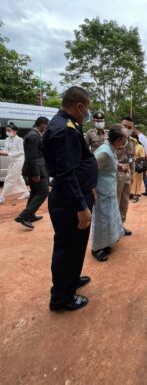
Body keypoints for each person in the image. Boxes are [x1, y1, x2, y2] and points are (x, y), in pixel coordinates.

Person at [43, 86, 98, 312]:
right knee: (67, 248)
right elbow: (66, 174)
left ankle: (71, 281)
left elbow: (76, 165)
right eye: (88, 109)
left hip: (76, 196)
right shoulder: (64, 129)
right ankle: (61, 298)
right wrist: (81, 206)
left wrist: (88, 189)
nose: (88, 113)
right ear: (79, 107)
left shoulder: (68, 124)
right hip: (69, 202)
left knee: (76, 246)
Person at [91, 125, 127, 261]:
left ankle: (105, 243)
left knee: (109, 219)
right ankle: (96, 248)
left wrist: (119, 166)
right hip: (101, 192)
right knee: (101, 221)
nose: (125, 142)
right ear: (118, 140)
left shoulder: (111, 149)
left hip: (109, 190)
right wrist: (92, 190)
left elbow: (109, 164)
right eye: (124, 139)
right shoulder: (105, 151)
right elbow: (92, 170)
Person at [14, 117, 50, 229]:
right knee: (43, 191)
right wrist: (36, 173)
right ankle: (24, 217)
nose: (46, 127)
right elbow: (32, 157)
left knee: (35, 192)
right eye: (46, 125)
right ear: (42, 124)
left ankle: (30, 215)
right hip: (36, 169)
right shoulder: (34, 136)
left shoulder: (32, 134)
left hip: (35, 168)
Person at [0, 124, 29, 204]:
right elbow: (6, 150)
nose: (7, 132)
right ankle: (26, 192)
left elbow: (21, 152)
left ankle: (2, 196)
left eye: (9, 130)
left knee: (9, 178)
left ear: (15, 131)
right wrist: (2, 152)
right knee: (19, 177)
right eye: (6, 130)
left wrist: (8, 154)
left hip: (19, 160)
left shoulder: (20, 140)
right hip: (11, 160)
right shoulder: (7, 139)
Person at [117, 116, 135, 235]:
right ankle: (113, 227)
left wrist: (132, 174)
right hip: (115, 173)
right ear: (120, 125)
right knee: (115, 201)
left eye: (129, 127)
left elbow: (131, 159)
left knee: (124, 201)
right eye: (125, 126)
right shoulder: (114, 139)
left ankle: (121, 225)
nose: (127, 129)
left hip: (127, 173)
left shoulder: (132, 142)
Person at [135, 126, 147, 197]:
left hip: (141, 159)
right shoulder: (144, 137)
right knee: (144, 176)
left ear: (136, 130)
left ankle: (137, 192)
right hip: (145, 158)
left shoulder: (140, 138)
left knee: (139, 176)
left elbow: (142, 149)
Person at [130, 132, 145, 203]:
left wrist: (136, 159)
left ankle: (137, 195)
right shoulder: (130, 146)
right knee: (132, 180)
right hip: (130, 165)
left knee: (137, 180)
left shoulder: (140, 146)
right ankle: (131, 193)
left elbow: (142, 157)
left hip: (138, 165)